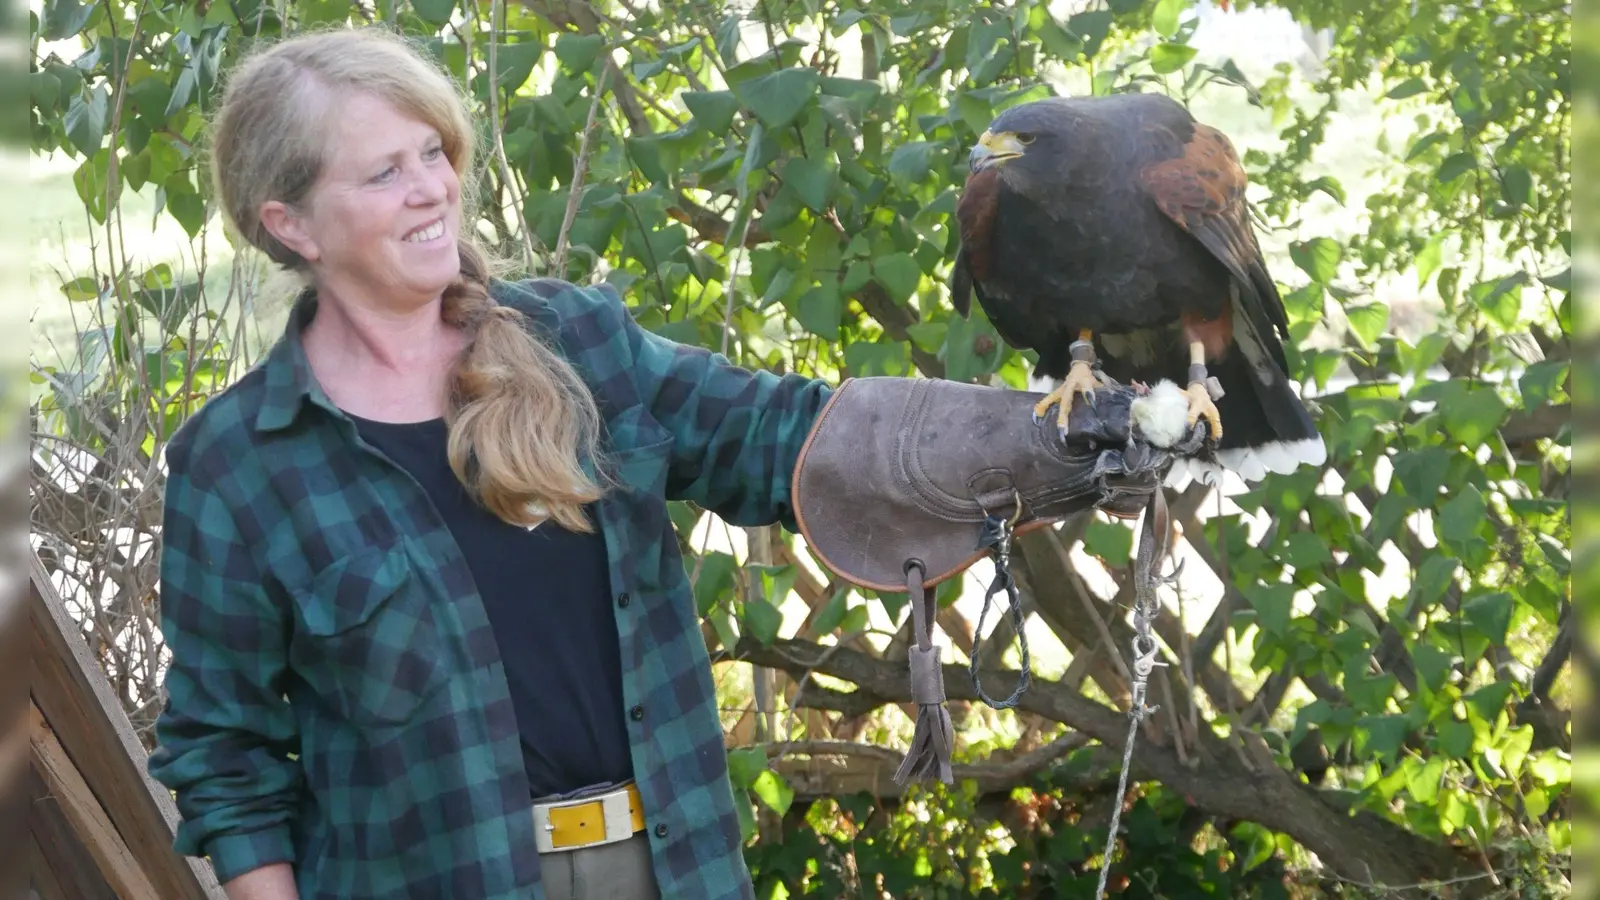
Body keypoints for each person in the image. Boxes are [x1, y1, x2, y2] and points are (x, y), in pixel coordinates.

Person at [147, 25, 1172, 900]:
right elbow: (223, 754)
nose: (433, 191)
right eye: (384, 172)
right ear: (289, 224)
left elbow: (786, 438)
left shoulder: (578, 344)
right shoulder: (240, 464)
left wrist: (1052, 440)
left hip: (667, 863)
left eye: (434, 151)